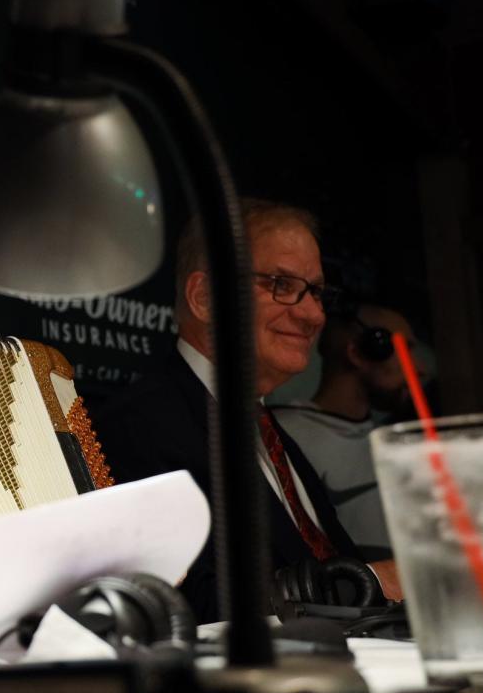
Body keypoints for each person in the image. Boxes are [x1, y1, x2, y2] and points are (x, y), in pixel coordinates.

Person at [91, 199, 403, 623]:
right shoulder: (137, 426)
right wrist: (369, 580)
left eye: (316, 292)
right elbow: (181, 610)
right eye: (282, 285)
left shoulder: (270, 432)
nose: (314, 314)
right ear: (205, 298)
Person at [272, 304, 427, 556]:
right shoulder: (282, 436)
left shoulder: (392, 444)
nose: (419, 368)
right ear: (359, 353)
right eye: (405, 349)